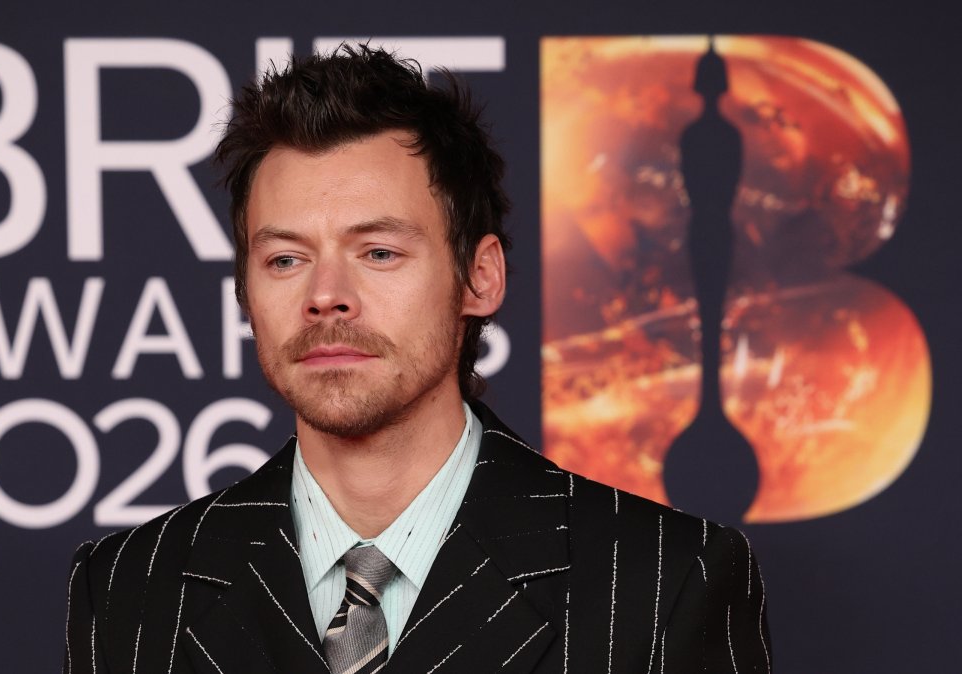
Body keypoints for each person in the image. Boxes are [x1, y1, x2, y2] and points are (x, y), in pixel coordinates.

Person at [64, 45, 771, 674]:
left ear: (479, 277)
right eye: (285, 258)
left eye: (379, 252)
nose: (326, 297)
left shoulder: (664, 582)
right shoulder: (130, 590)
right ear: (246, 289)